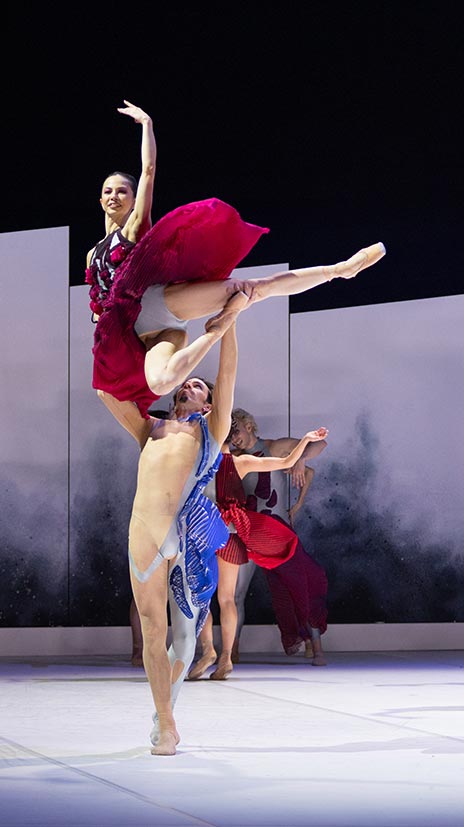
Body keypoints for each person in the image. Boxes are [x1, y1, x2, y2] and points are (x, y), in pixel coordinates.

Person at [87, 99, 385, 420]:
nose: (114, 196)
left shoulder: (133, 228)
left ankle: (340, 270)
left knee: (250, 288)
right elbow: (99, 303)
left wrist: (147, 125)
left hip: (161, 303)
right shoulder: (92, 254)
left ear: (133, 199)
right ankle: (218, 329)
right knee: (161, 383)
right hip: (141, 336)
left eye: (122, 191)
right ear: (100, 199)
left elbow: (148, 171)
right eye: (108, 191)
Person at [96, 312, 242, 755]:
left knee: (184, 637)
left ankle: (167, 709)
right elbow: (105, 390)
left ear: (208, 405)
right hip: (145, 531)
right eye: (184, 383)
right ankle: (165, 722)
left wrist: (230, 320)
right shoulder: (150, 427)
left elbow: (227, 374)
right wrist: (108, 326)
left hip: (189, 537)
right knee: (152, 631)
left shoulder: (211, 431)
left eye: (197, 385)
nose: (188, 385)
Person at [190, 427, 330, 679]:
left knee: (213, 597)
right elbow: (286, 462)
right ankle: (221, 654)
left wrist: (304, 448)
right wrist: (304, 445)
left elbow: (289, 462)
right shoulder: (230, 461)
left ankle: (215, 652)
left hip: (222, 532)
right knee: (223, 598)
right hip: (226, 532)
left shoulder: (217, 462)